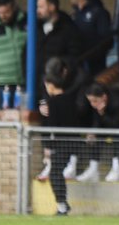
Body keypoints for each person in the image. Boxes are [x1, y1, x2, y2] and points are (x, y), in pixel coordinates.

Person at [38, 57, 91, 216]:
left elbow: (52, 126)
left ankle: (62, 205)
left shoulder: (53, 103)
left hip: (61, 145)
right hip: (73, 142)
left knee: (55, 174)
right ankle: (62, 204)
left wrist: (47, 147)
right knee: (57, 172)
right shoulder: (70, 99)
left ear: (50, 85)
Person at [78, 82, 119, 183]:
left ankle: (116, 169)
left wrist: (102, 114)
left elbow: (116, 125)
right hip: (109, 124)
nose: (93, 104)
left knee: (117, 137)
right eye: (90, 101)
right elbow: (97, 121)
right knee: (95, 137)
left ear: (104, 97)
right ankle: (93, 169)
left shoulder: (118, 102)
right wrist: (93, 132)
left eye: (95, 101)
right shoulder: (98, 106)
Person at [36, 0, 81, 99]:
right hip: (37, 85)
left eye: (41, 7)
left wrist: (57, 75)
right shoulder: (36, 28)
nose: (38, 10)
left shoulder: (68, 29)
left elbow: (74, 56)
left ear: (52, 7)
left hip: (57, 87)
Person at [67, 0, 113, 76]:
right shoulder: (75, 15)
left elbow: (106, 39)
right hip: (78, 63)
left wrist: (91, 55)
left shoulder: (99, 12)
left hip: (95, 65)